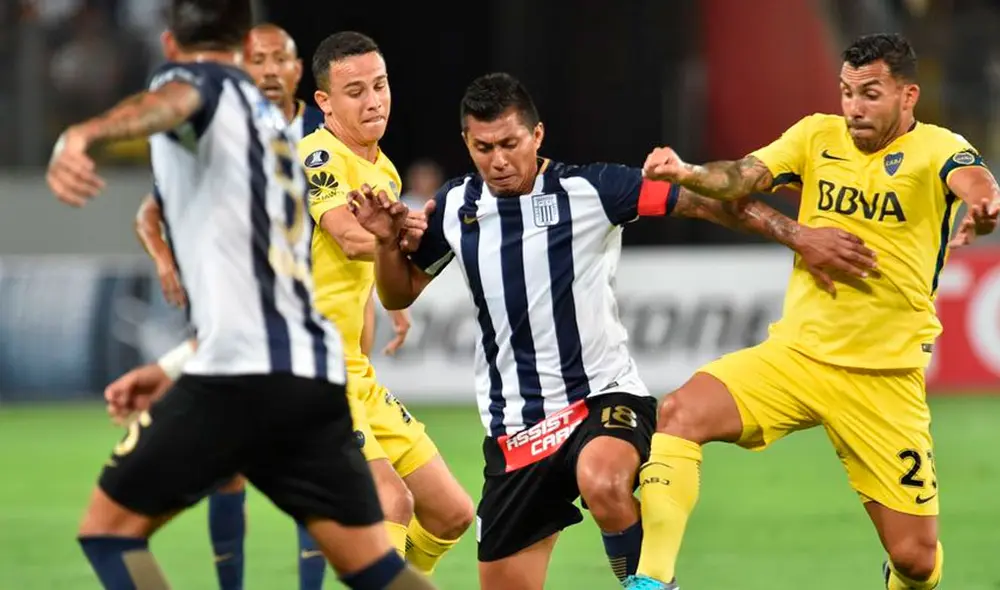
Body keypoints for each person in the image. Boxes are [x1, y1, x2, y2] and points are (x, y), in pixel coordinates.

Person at [348, 72, 876, 590]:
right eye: (484, 148)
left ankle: (650, 585)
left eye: (510, 144)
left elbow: (706, 204)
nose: (499, 161)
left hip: (601, 396)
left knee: (602, 479)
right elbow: (399, 293)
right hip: (516, 428)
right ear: (467, 142)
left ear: (537, 135)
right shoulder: (455, 207)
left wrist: (798, 235)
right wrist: (386, 243)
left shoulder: (591, 188)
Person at [45, 1, 436, 589]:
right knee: (374, 566)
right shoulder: (272, 133)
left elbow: (176, 100)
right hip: (310, 375)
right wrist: (174, 364)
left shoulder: (204, 86)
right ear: (243, 45)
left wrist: (81, 134)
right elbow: (272, 281)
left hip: (239, 374)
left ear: (171, 45)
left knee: (109, 532)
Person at [627, 33, 1000, 590]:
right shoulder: (815, 136)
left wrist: (985, 206)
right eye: (847, 92)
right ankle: (652, 581)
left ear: (908, 96)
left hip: (884, 379)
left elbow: (975, 181)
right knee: (680, 412)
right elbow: (742, 177)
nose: (854, 107)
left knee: (916, 560)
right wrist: (688, 172)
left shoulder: (938, 147)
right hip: (797, 358)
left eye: (870, 93)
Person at [130, 23, 330, 590]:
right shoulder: (227, 128)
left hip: (309, 321)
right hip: (235, 315)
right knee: (229, 468)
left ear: (297, 69)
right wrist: (166, 262)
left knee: (311, 462)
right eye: (256, 59)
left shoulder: (323, 136)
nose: (267, 70)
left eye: (278, 59)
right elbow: (149, 212)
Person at [298, 30, 475, 574]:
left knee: (451, 514)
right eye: (355, 91)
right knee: (392, 501)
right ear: (325, 102)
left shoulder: (386, 171)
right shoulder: (318, 154)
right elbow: (345, 234)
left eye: (380, 85)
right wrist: (395, 240)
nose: (373, 101)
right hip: (311, 369)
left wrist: (394, 291)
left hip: (353, 370)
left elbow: (371, 261)